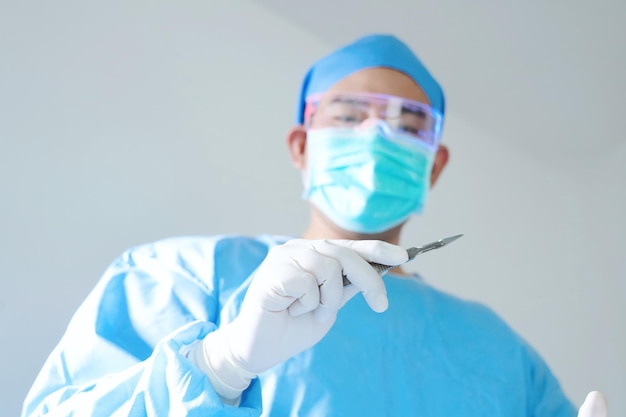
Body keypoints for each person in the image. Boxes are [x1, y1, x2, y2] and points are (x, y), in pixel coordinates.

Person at [22, 34, 606, 417]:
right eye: (350, 117)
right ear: (302, 145)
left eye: (408, 127)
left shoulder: (497, 352)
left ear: (435, 167)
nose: (378, 138)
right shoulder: (180, 277)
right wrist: (219, 365)